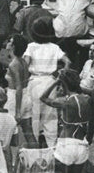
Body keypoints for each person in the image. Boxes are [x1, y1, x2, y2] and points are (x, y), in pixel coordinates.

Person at [40, 68, 92, 173]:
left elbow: (43, 98)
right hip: (82, 145)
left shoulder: (65, 101)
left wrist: (55, 81)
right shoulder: (87, 99)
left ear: (63, 84)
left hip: (66, 145)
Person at [23, 17, 67, 148]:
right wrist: (61, 77)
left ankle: (35, 150)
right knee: (51, 117)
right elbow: (67, 62)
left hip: (35, 81)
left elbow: (25, 64)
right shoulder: (54, 47)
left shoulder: (31, 47)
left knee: (35, 116)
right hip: (50, 82)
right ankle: (52, 148)